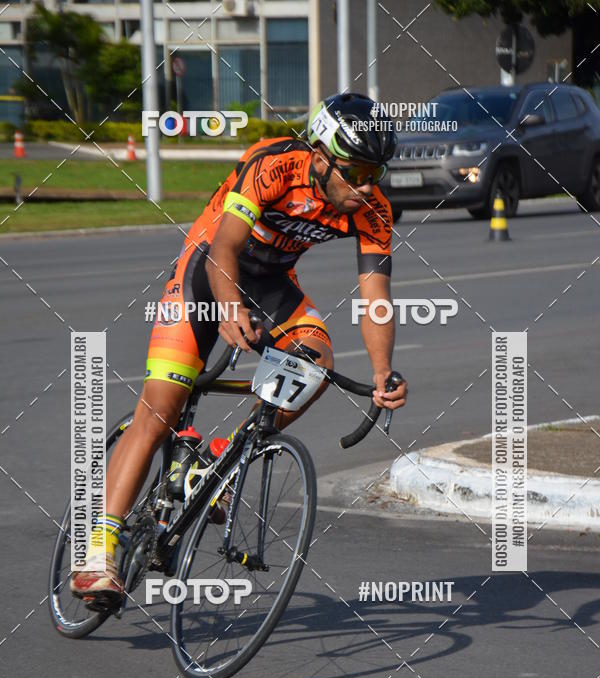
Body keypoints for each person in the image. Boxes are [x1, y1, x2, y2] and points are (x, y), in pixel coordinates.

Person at [71, 92, 408, 607]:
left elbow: (376, 298)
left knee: (315, 358)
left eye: (375, 174)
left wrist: (384, 372)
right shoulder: (273, 165)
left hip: (271, 282)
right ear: (320, 157)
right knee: (159, 410)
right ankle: (98, 552)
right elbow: (223, 248)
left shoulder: (374, 210)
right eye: (356, 172)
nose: (365, 187)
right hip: (206, 274)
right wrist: (228, 309)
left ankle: (222, 461)